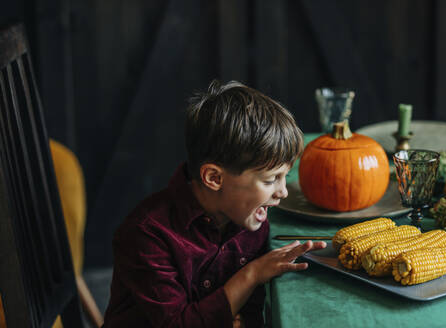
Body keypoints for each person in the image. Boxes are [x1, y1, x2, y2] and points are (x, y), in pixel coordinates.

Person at [103, 80, 326, 328]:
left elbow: (251, 308)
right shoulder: (147, 234)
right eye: (271, 179)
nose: (283, 192)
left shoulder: (249, 216)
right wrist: (252, 274)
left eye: (284, 176)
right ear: (214, 178)